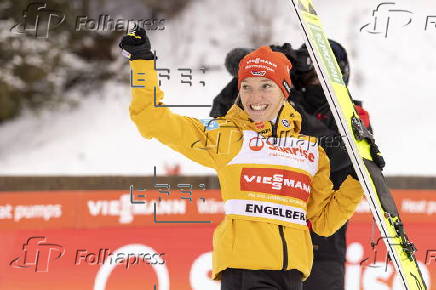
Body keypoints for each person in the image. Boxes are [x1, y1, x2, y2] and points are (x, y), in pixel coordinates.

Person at [119, 27, 364, 290]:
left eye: (266, 86)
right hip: (246, 274)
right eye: (246, 87)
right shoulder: (227, 137)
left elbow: (324, 221)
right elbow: (150, 118)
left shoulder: (309, 150)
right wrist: (142, 63)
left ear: (285, 91)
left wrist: (359, 181)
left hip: (292, 277)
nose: (254, 97)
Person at [210, 41, 374, 290]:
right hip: (271, 242)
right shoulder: (276, 104)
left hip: (323, 239)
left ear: (341, 74)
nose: (316, 80)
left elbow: (344, 156)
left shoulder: (351, 113)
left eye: (324, 74)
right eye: (310, 72)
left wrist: (292, 107)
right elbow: (221, 122)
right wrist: (252, 72)